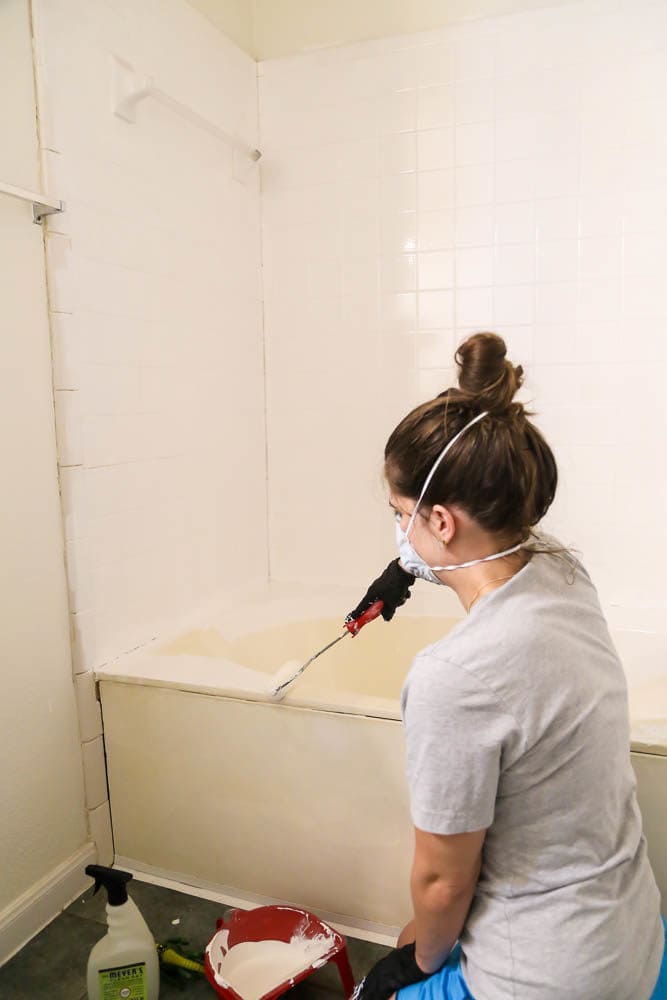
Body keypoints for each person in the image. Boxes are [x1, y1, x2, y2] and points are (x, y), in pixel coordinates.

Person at [348, 333, 667, 1000]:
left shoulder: (453, 677)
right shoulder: (561, 573)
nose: (398, 534)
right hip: (631, 940)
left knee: (384, 979)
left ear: (440, 519)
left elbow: (442, 884)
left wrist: (419, 961)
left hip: (548, 979)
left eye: (400, 517)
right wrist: (410, 567)